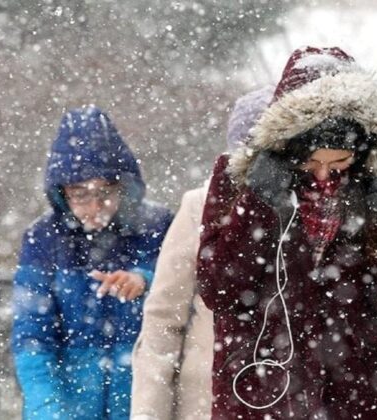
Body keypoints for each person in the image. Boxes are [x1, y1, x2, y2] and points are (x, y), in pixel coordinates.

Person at [196, 46, 377, 419]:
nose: (323, 175)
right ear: (286, 146)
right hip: (260, 394)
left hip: (354, 397)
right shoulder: (236, 178)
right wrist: (259, 203)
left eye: (339, 162)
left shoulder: (372, 188)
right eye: (311, 160)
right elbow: (220, 290)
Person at [11, 106, 173, 419]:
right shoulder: (42, 238)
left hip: (144, 399)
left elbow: (185, 291)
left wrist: (145, 281)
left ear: (123, 186)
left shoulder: (157, 226)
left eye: (105, 191)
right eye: (80, 194)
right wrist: (49, 410)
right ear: (62, 194)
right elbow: (32, 336)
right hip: (69, 404)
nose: (95, 206)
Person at [130, 86, 273, 420]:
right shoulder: (201, 206)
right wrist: (149, 413)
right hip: (206, 403)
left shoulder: (307, 215)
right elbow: (163, 319)